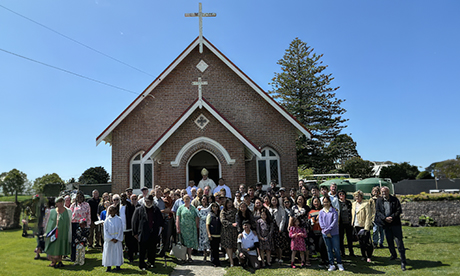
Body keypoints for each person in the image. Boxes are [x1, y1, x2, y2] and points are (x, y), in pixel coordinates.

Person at [375, 186, 407, 271]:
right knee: (389, 241)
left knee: (399, 242)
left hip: (395, 223)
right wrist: (385, 218)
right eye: (382, 192)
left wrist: (391, 217)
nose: (384, 193)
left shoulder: (394, 200)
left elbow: (398, 210)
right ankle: (393, 255)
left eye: (385, 191)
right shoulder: (379, 201)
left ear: (388, 192)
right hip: (386, 224)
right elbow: (378, 211)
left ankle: (403, 260)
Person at [132, 195, 164, 270]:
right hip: (142, 233)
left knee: (152, 249)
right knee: (142, 250)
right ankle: (142, 265)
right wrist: (135, 233)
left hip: (153, 233)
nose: (148, 203)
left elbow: (160, 222)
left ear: (152, 202)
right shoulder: (139, 209)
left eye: (149, 201)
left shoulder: (156, 210)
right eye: (146, 201)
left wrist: (160, 230)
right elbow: (134, 222)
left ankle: (151, 263)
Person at [44, 196, 72, 268]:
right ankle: (53, 261)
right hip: (54, 232)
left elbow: (69, 223)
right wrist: (47, 231)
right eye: (58, 202)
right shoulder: (52, 211)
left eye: (61, 202)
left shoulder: (68, 211)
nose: (60, 204)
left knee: (61, 246)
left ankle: (60, 261)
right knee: (54, 246)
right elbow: (49, 222)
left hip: (63, 233)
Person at [318, 196, 344, 271]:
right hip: (325, 234)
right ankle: (331, 264)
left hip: (334, 233)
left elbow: (335, 222)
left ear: (330, 202)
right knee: (329, 249)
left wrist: (328, 230)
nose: (325, 203)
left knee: (336, 249)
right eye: (324, 202)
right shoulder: (321, 212)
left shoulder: (334, 211)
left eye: (327, 202)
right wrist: (326, 231)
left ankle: (339, 263)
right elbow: (321, 222)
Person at [176, 194, 199, 262]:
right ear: (183, 200)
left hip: (191, 228)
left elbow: (196, 217)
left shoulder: (193, 208)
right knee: (184, 243)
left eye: (188, 199)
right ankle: (183, 257)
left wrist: (196, 225)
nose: (186, 200)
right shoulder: (180, 208)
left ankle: (189, 257)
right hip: (183, 228)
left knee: (190, 243)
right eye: (185, 199)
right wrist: (178, 227)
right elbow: (178, 218)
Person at [289, 195, 311, 266]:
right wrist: (289, 226)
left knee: (306, 244)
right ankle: (298, 259)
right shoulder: (293, 207)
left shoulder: (306, 207)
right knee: (296, 244)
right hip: (295, 227)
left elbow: (309, 216)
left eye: (301, 199)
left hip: (304, 227)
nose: (300, 200)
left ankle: (306, 259)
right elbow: (291, 217)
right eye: (298, 199)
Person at [352, 190, 373, 263]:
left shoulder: (366, 204)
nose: (357, 198)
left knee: (367, 242)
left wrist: (366, 228)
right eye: (355, 196)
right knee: (361, 242)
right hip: (356, 225)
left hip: (363, 225)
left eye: (358, 196)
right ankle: (363, 255)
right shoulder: (353, 204)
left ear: (361, 196)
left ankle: (369, 256)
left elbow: (368, 216)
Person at [70, 191, 91, 262]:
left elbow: (88, 215)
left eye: (81, 197)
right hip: (74, 224)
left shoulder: (87, 205)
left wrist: (88, 225)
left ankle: (81, 257)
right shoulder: (73, 205)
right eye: (78, 197)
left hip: (83, 225)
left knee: (82, 241)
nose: (79, 198)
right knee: (74, 241)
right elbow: (70, 215)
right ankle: (73, 257)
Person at [308, 197, 329, 266]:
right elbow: (308, 221)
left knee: (322, 246)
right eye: (315, 202)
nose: (316, 203)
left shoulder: (323, 210)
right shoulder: (310, 211)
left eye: (317, 202)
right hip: (314, 231)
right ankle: (320, 258)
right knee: (316, 247)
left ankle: (325, 260)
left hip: (322, 231)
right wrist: (311, 221)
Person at [102, 205, 124, 272]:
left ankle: (118, 265)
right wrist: (110, 238)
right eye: (110, 211)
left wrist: (117, 238)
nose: (112, 212)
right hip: (110, 239)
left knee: (117, 252)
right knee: (109, 253)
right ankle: (109, 266)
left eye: (113, 210)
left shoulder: (119, 219)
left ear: (115, 211)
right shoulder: (107, 220)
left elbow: (120, 229)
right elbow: (105, 231)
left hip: (117, 238)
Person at [269, 195, 287, 263]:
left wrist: (281, 227)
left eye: (275, 200)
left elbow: (283, 218)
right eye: (272, 200)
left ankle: (280, 257)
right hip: (272, 228)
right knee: (274, 244)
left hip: (278, 227)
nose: (274, 201)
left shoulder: (280, 208)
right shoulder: (269, 208)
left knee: (279, 243)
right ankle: (276, 256)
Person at [220, 198, 238, 267]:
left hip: (234, 231)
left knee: (234, 245)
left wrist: (236, 224)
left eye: (231, 203)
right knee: (228, 246)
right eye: (228, 203)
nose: (229, 204)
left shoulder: (235, 210)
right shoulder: (223, 211)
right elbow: (223, 220)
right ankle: (231, 262)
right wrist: (231, 224)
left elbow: (237, 218)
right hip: (226, 231)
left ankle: (235, 259)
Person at [337, 189, 355, 257]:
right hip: (341, 223)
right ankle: (342, 252)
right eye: (340, 194)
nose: (341, 195)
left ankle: (351, 252)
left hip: (348, 222)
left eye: (343, 194)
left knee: (349, 238)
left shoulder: (348, 202)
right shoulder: (337, 203)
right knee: (341, 238)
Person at [120, 193, 136, 263]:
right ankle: (120, 257)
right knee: (120, 244)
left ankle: (131, 257)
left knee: (129, 244)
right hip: (120, 229)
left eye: (124, 197)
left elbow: (133, 217)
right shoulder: (118, 206)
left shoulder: (130, 205)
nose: (123, 198)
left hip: (128, 228)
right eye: (121, 197)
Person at [206, 203, 222, 267]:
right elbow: (207, 225)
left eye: (216, 206)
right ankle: (213, 261)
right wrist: (209, 234)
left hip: (218, 235)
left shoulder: (219, 215)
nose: (215, 208)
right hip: (212, 234)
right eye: (214, 207)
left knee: (217, 249)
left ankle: (217, 261)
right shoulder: (210, 215)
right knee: (213, 249)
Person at [197, 196, 211, 260]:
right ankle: (204, 253)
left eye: (205, 199)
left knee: (208, 238)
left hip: (208, 224)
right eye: (203, 199)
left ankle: (209, 253)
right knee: (202, 238)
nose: (204, 200)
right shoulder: (199, 207)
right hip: (202, 225)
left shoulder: (209, 207)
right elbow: (198, 214)